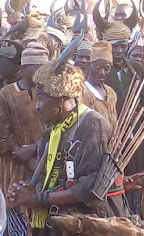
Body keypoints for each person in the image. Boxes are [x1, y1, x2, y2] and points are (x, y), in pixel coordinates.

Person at [7, 40, 129, 235]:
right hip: (60, 220)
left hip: (94, 223)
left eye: (42, 98)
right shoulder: (51, 132)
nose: (36, 106)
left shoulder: (93, 126)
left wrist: (38, 198)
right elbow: (48, 176)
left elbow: (87, 189)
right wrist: (25, 190)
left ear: (60, 98)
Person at [0, 42, 48, 235]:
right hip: (13, 166)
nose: (41, 72)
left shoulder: (48, 93)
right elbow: (2, 134)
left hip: (45, 163)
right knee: (17, 216)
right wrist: (26, 158)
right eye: (37, 67)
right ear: (25, 67)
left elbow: (56, 128)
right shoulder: (5, 94)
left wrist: (35, 149)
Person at [81, 41, 118, 127]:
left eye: (107, 68)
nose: (102, 72)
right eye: (98, 67)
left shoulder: (111, 92)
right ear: (90, 65)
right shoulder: (83, 92)